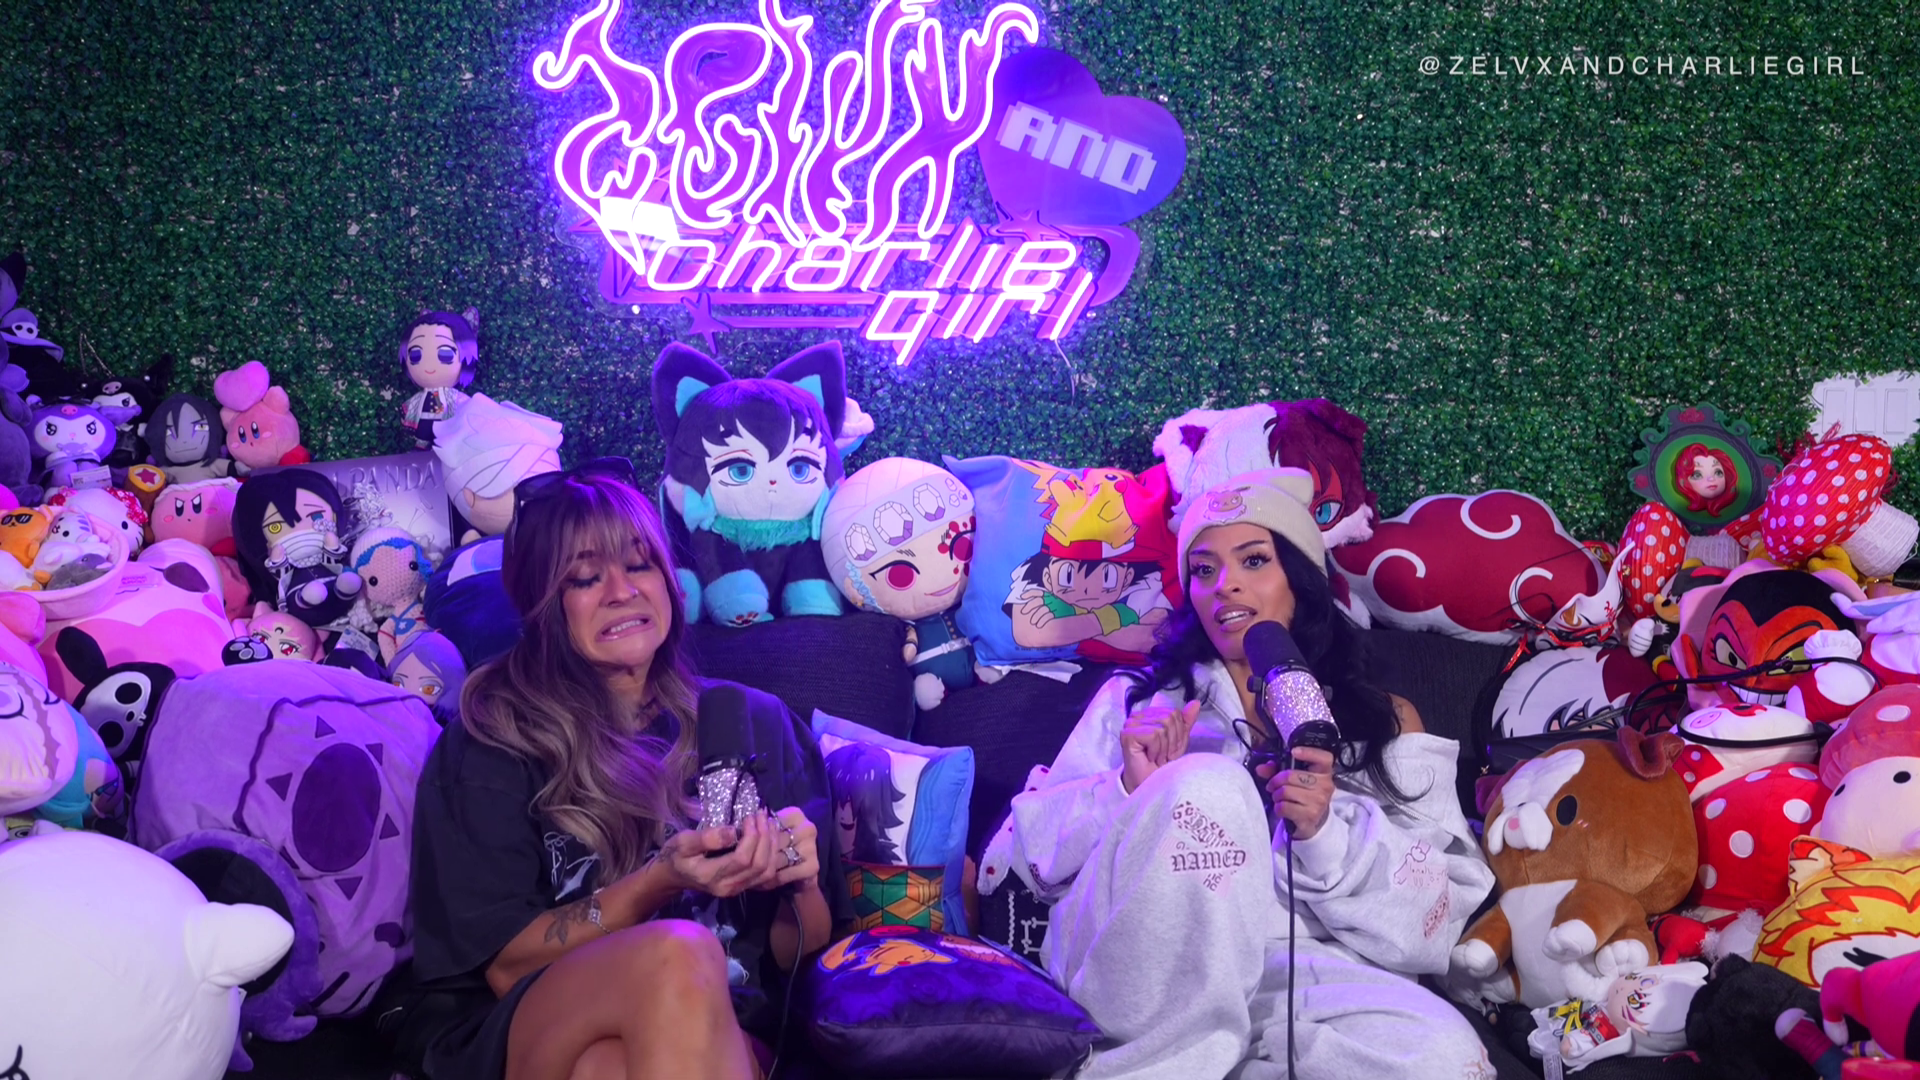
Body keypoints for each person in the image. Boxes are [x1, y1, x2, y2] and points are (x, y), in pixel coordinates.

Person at [993, 468, 1498, 1079]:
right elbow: (1030, 859)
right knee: (1212, 786)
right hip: (1159, 967)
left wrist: (1326, 836)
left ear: (1300, 578)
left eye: (1253, 560)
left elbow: (1438, 916)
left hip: (1309, 971)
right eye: (1203, 570)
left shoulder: (1385, 720)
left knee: (1446, 1058)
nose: (1224, 585)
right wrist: (1129, 791)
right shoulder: (1139, 703)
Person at [402, 458, 846, 1080]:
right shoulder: (493, 743)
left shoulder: (755, 722)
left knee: (607, 1069)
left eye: (640, 565)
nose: (621, 591)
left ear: (668, 582)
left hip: (716, 1038)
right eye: (585, 578)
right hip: (530, 1027)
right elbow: (506, 969)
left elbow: (802, 956)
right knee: (678, 953)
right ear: (543, 606)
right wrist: (657, 881)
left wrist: (798, 884)